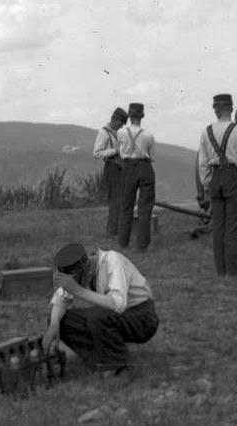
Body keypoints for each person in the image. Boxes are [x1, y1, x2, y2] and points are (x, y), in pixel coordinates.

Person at [42, 243, 158, 383]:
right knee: (63, 320)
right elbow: (61, 298)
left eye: (75, 279)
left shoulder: (113, 262)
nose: (75, 284)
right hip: (116, 315)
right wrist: (54, 326)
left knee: (97, 316)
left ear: (85, 269)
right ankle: (100, 359)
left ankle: (120, 367)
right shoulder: (84, 272)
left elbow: (117, 304)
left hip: (142, 317)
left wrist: (78, 290)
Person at [197, 94, 237, 277]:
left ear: (215, 109)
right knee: (234, 226)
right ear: (231, 109)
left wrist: (207, 183)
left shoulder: (206, 131)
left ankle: (221, 270)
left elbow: (202, 162)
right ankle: (234, 270)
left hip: (215, 178)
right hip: (233, 177)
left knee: (218, 227)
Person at [117, 103, 156, 253]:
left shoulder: (121, 132)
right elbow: (152, 157)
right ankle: (142, 245)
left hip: (127, 166)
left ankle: (123, 242)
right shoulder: (149, 136)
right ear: (142, 116)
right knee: (145, 208)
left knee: (126, 206)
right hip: (145, 167)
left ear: (129, 115)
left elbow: (120, 149)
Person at [92, 107, 128, 239]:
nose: (122, 126)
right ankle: (112, 232)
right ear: (115, 119)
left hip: (119, 168)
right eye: (121, 123)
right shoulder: (104, 132)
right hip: (111, 167)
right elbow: (97, 153)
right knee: (115, 201)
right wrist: (115, 151)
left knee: (120, 200)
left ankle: (116, 230)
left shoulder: (115, 132)